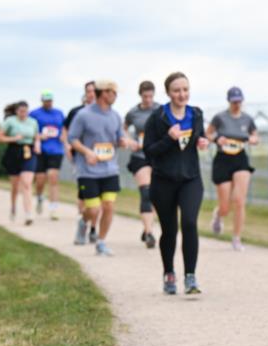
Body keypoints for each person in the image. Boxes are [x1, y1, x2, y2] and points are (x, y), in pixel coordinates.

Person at [144, 71, 210, 295]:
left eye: (185, 89)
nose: (182, 94)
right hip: (163, 180)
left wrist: (202, 141)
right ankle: (169, 273)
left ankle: (190, 276)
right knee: (170, 230)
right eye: (177, 90)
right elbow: (149, 151)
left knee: (189, 223)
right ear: (168, 93)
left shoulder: (196, 114)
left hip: (191, 179)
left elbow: (199, 137)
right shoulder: (158, 117)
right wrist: (168, 139)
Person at [68, 80, 127, 256]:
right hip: (88, 171)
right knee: (93, 210)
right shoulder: (83, 115)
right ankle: (83, 222)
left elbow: (120, 138)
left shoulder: (115, 116)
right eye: (113, 92)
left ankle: (101, 242)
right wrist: (87, 152)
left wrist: (122, 141)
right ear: (104, 93)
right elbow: (72, 138)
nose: (116, 96)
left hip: (110, 169)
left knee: (108, 205)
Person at [206, 86, 258, 251]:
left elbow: (255, 136)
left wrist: (252, 139)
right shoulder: (219, 118)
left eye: (239, 101)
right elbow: (208, 134)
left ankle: (236, 238)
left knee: (239, 201)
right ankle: (218, 215)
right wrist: (217, 139)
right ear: (229, 101)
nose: (237, 104)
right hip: (222, 159)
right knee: (225, 206)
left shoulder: (247, 119)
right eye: (234, 101)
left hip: (240, 159)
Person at [63, 81, 100, 242]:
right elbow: (66, 132)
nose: (91, 94)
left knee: (100, 197)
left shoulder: (104, 112)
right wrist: (67, 147)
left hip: (100, 159)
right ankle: (84, 221)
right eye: (89, 91)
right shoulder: (76, 112)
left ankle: (93, 228)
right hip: (81, 158)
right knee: (84, 195)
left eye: (94, 91)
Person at [124, 80, 159, 248]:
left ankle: (147, 228)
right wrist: (130, 141)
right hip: (140, 155)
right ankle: (150, 234)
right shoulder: (133, 113)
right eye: (145, 96)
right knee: (146, 193)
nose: (148, 99)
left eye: (151, 96)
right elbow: (123, 129)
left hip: (158, 156)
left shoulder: (160, 110)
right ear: (140, 96)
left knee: (157, 195)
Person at [0, 101, 41, 225]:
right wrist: (13, 138)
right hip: (14, 151)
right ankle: (13, 207)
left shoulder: (33, 122)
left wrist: (37, 145)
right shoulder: (10, 121)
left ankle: (29, 213)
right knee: (15, 186)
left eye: (25, 111)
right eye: (21, 111)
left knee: (27, 183)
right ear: (16, 111)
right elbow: (0, 137)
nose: (23, 114)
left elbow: (36, 137)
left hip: (28, 152)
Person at [30, 90, 66, 220]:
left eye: (50, 100)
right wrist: (38, 136)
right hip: (40, 150)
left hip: (56, 150)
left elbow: (65, 128)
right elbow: (28, 129)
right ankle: (40, 197)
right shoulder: (34, 114)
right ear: (42, 101)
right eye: (46, 101)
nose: (48, 103)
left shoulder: (59, 113)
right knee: (40, 179)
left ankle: (53, 208)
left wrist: (63, 136)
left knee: (53, 177)